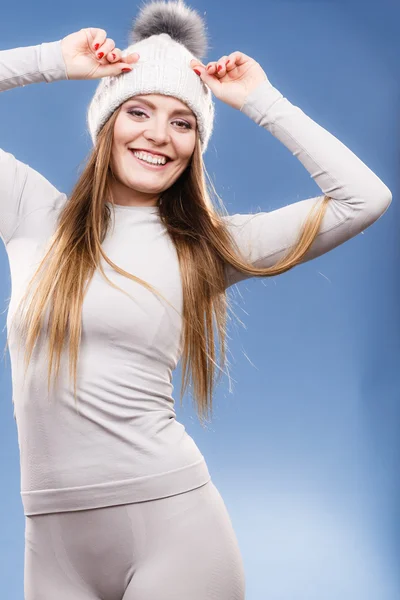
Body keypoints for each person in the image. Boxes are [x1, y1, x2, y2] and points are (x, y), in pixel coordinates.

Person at [0, 1, 392, 599]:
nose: (159, 134)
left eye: (183, 122)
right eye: (138, 111)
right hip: (50, 544)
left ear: (196, 145)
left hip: (172, 530)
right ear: (107, 121)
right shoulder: (31, 211)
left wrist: (261, 101)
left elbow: (362, 199)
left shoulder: (207, 248)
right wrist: (51, 61)